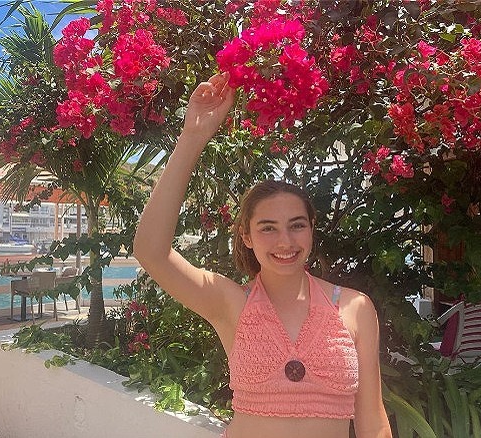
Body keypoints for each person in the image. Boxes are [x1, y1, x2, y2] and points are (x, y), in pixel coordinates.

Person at [133, 72, 393, 438]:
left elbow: (373, 421)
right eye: (268, 228)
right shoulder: (231, 304)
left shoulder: (355, 308)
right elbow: (150, 251)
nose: (285, 241)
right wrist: (192, 136)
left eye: (296, 225)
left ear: (311, 229)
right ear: (247, 236)